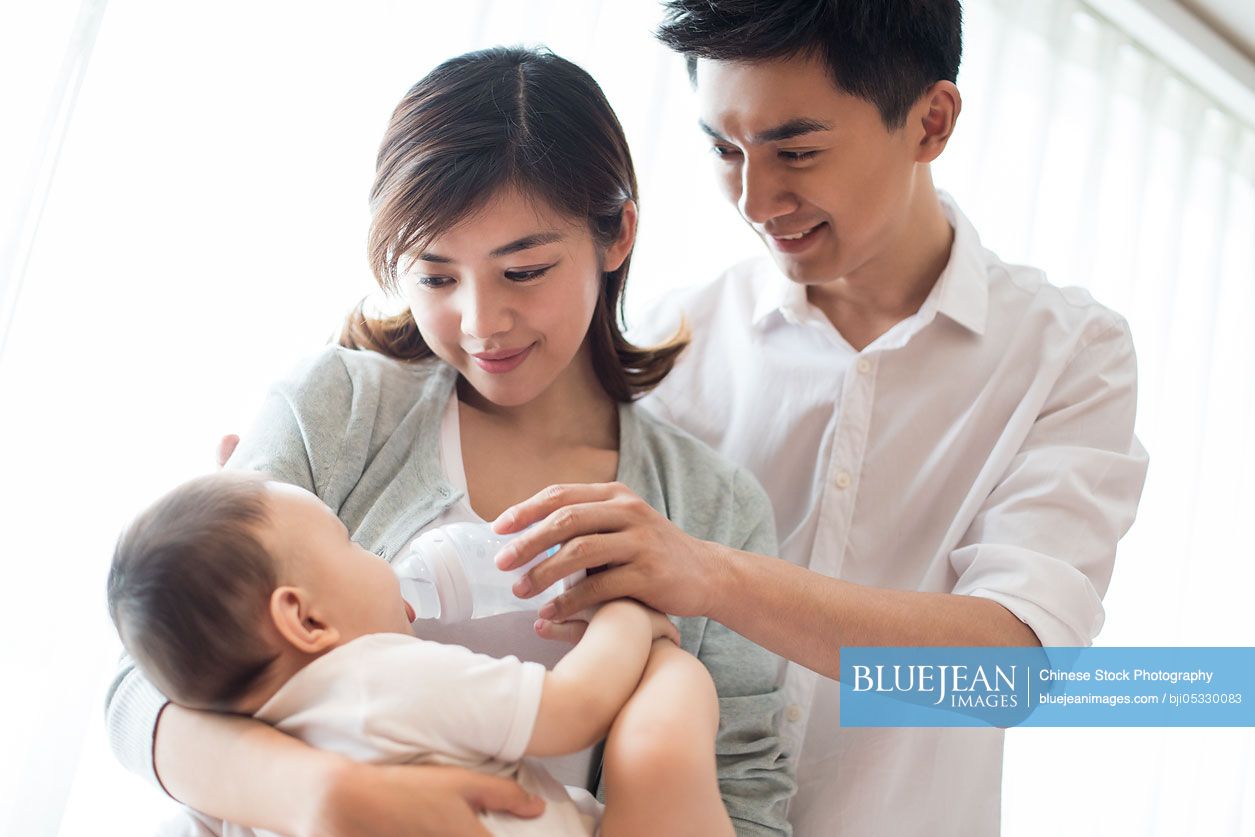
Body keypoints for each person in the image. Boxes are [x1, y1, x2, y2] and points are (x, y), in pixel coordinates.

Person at [487, 2, 1151, 835]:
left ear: (929, 122)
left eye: (795, 151)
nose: (756, 199)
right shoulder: (663, 346)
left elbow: (1009, 673)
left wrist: (708, 575)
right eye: (724, 151)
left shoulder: (1068, 353)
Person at [105, 46, 794, 837]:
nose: (479, 321)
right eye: (435, 277)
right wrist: (324, 795)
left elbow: (746, 793)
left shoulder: (707, 506)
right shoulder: (338, 407)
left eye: (524, 270)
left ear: (616, 236)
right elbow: (142, 689)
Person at [108, 472, 733, 837]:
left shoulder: (243, 759)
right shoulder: (375, 675)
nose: (483, 320)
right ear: (302, 618)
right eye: (350, 543)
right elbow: (574, 707)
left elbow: (823, 677)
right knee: (679, 685)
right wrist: (629, 612)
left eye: (523, 270)